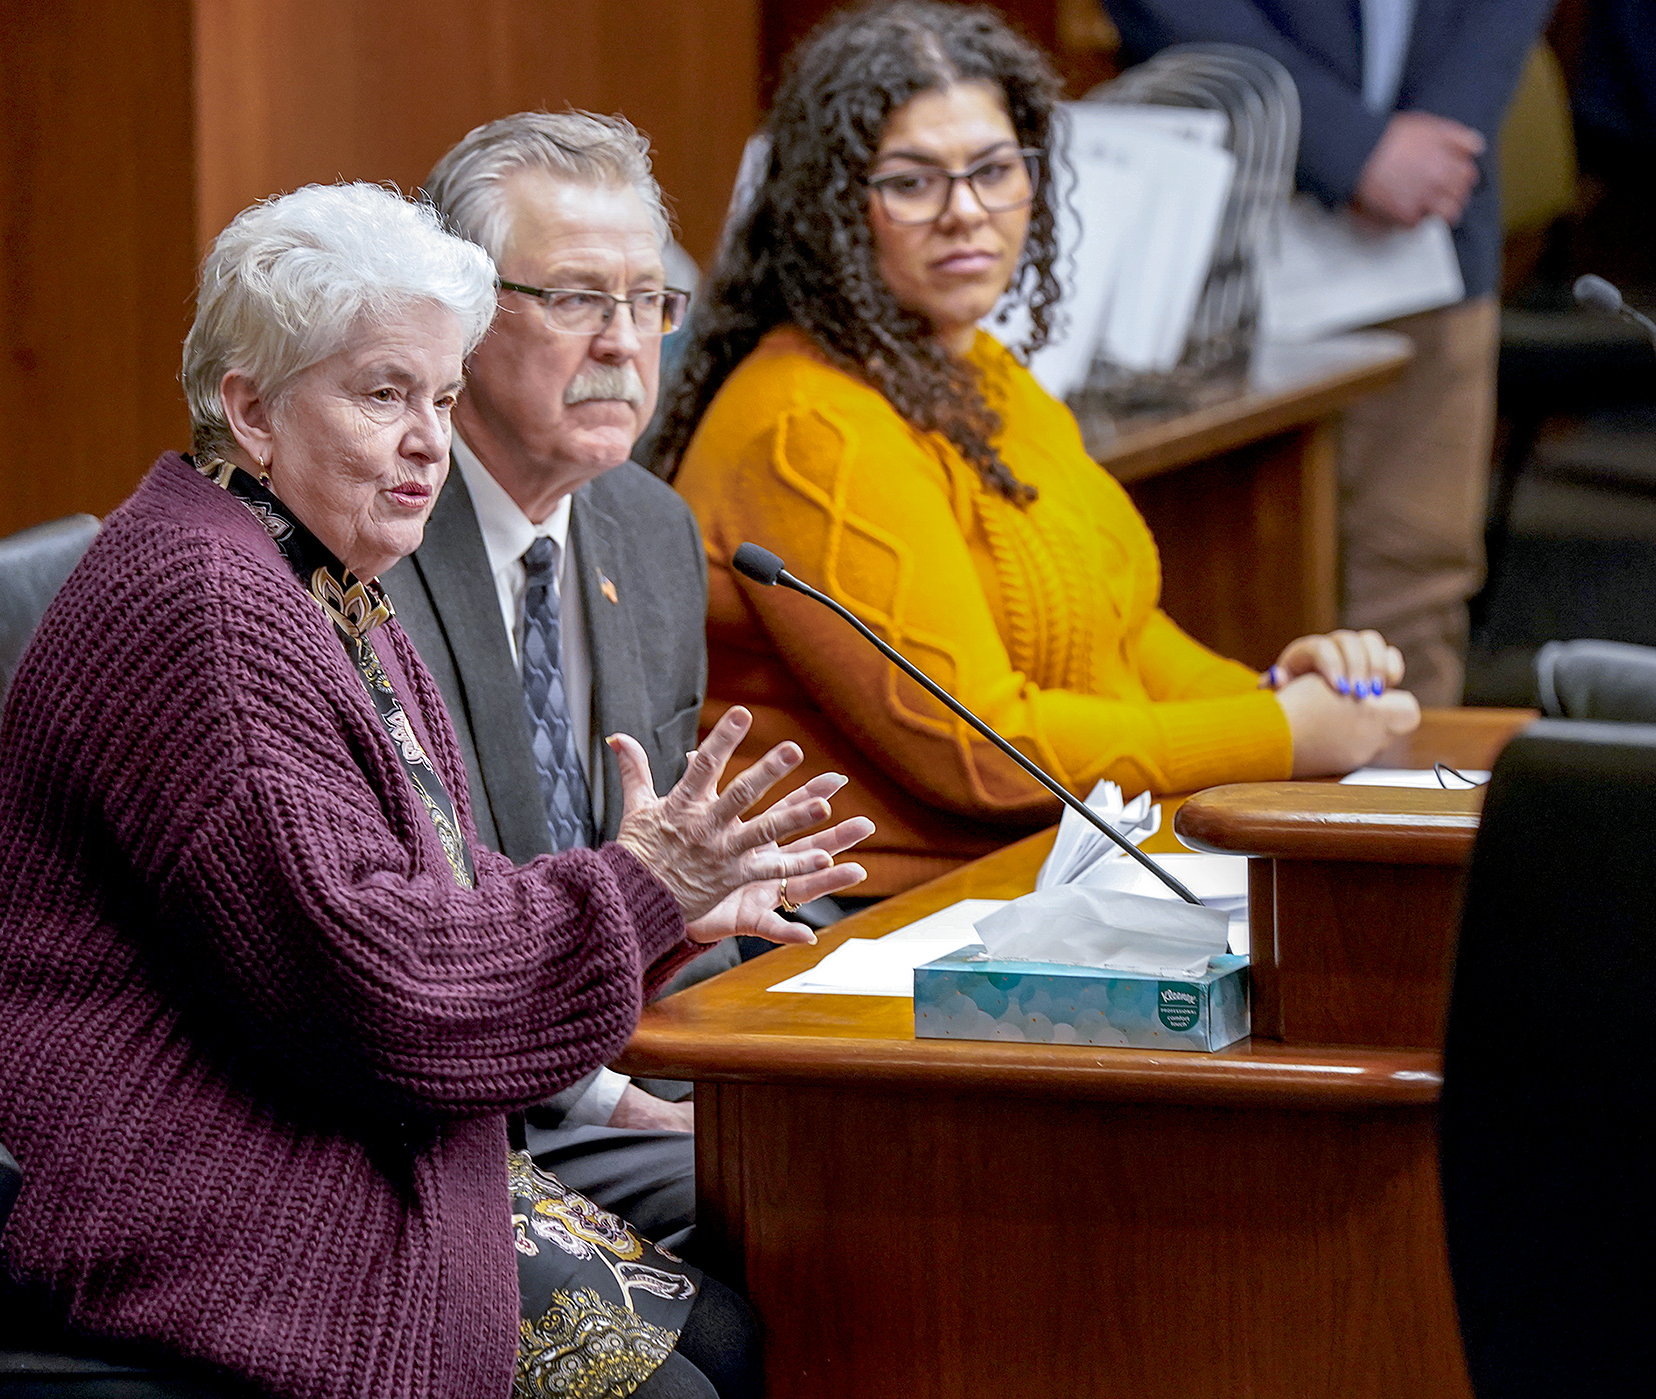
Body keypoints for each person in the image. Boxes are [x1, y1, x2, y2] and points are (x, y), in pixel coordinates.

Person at [0, 182, 872, 1399]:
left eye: (440, 396)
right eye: (384, 394)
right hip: (148, 1166)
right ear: (252, 411)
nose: (430, 438)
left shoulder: (313, 575)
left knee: (734, 1337)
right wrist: (632, 888)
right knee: (676, 1390)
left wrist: (660, 902)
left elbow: (423, 895)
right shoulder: (214, 612)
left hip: (272, 1100)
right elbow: (377, 982)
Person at [648, 0, 1420, 899]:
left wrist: (1277, 686)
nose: (965, 211)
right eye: (912, 181)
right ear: (831, 207)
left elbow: (1119, 634)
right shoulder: (806, 423)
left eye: (993, 170)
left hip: (1020, 871)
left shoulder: (980, 373)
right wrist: (1284, 732)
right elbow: (981, 749)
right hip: (854, 915)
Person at [384, 111, 710, 1255]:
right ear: (461, 322)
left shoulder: (648, 527)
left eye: (648, 299)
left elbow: (651, 862)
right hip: (439, 1119)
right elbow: (419, 934)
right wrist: (607, 1096)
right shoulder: (372, 550)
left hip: (630, 1055)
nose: (623, 342)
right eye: (576, 298)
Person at [1104, 0, 1557, 706]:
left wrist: (1444, 137)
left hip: (1432, 218)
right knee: (1219, 583)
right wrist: (1351, 148)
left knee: (1419, 571)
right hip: (1217, 218)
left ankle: (1402, 809)